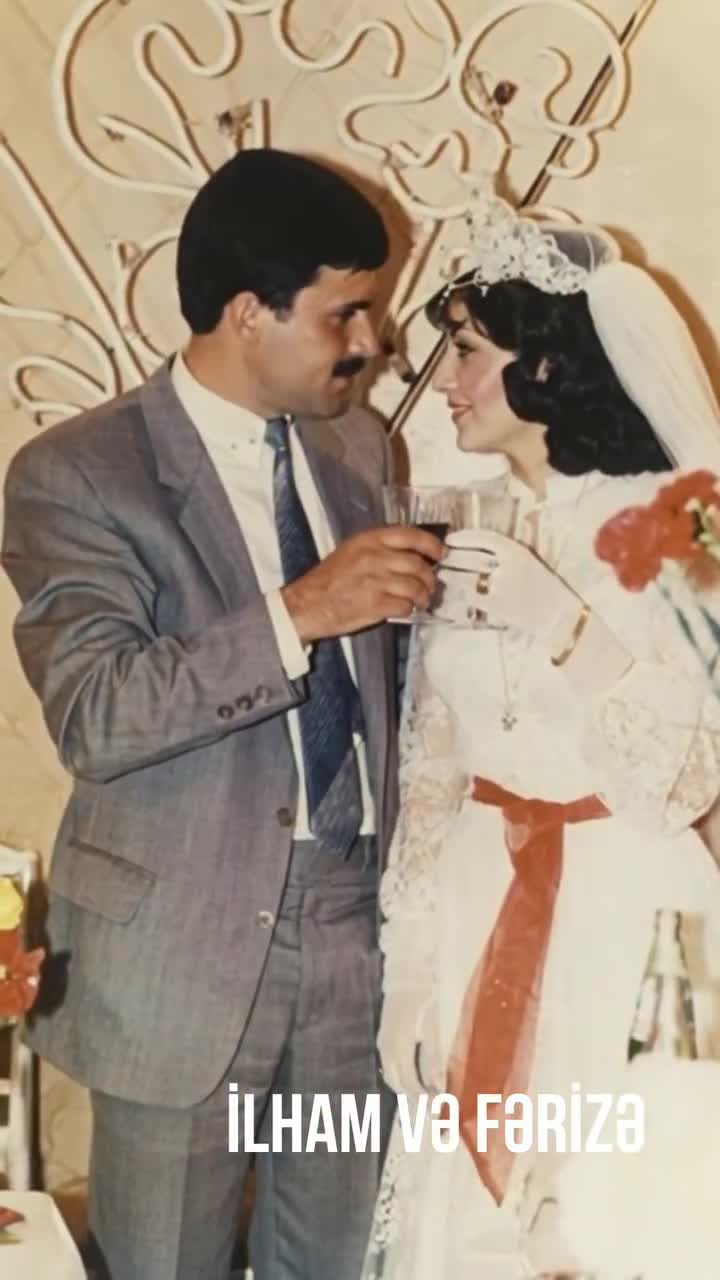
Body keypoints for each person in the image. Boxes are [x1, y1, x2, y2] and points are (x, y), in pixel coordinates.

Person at [0, 147, 443, 1280]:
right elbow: (97, 714)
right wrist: (299, 611)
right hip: (180, 947)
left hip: (355, 931)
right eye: (345, 313)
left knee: (337, 1261)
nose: (374, 339)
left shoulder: (359, 445)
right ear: (250, 312)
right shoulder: (77, 473)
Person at [362, 208, 720, 1279]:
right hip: (479, 897)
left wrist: (565, 626)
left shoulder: (681, 524)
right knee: (473, 1225)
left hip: (632, 909)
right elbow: (432, 769)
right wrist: (410, 968)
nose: (447, 378)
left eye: (469, 349)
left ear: (550, 364)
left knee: (615, 1213)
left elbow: (684, 781)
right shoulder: (458, 517)